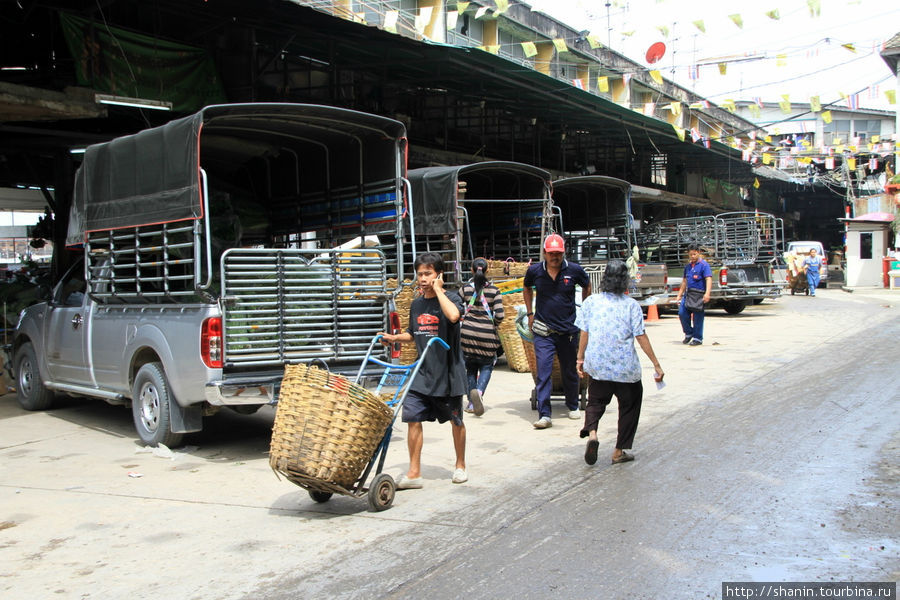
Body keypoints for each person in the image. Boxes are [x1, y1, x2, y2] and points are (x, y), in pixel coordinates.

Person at [379, 252, 469, 488]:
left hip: (448, 373)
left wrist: (438, 290)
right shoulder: (417, 303)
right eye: (419, 274)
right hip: (422, 373)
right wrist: (394, 337)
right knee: (412, 418)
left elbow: (453, 316)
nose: (422, 278)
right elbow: (414, 332)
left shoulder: (451, 298)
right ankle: (414, 473)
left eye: (428, 273)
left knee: (456, 421)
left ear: (439, 274)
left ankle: (460, 465)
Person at [575, 259, 664, 465]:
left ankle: (593, 435)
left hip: (598, 365)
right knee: (630, 405)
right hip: (625, 369)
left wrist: (580, 358)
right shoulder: (631, 305)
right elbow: (641, 337)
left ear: (605, 278)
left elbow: (584, 333)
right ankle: (618, 451)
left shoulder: (591, 302)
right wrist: (656, 364)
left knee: (595, 401)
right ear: (625, 280)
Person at [523, 233, 591, 429]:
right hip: (544, 330)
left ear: (564, 253)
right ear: (544, 253)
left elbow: (587, 285)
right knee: (543, 372)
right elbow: (526, 288)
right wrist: (529, 313)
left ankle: (572, 405)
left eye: (558, 254)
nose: (555, 257)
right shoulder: (535, 271)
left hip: (568, 330)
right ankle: (545, 414)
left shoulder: (574, 270)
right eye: (551, 253)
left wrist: (585, 310)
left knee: (570, 370)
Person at [460, 258, 504, 416]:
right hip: (487, 336)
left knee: (470, 368)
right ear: (487, 271)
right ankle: (478, 393)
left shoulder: (465, 289)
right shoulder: (494, 290)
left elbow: (458, 309)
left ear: (472, 270)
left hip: (467, 335)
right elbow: (500, 315)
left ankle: (471, 404)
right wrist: (493, 324)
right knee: (486, 366)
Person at [674, 242, 712, 346]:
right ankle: (689, 333)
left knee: (698, 317)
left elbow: (708, 279)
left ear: (698, 253)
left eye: (694, 254)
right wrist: (679, 295)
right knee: (682, 313)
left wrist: (707, 293)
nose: (692, 256)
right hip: (688, 294)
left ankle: (697, 338)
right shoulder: (688, 267)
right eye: (690, 255)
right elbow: (684, 281)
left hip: (699, 295)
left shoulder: (704, 265)